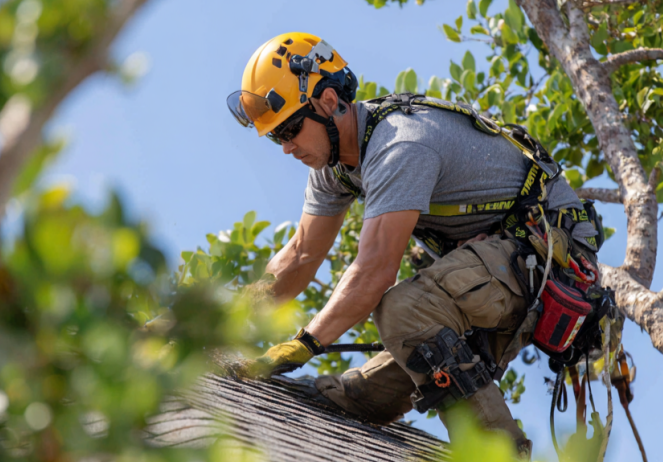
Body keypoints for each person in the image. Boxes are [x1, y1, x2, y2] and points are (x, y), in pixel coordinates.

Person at [226, 32, 603, 456]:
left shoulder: (399, 145)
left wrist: (304, 343)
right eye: (277, 136)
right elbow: (300, 255)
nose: (287, 147)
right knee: (357, 396)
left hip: (549, 258)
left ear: (329, 102)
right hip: (499, 265)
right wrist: (219, 323)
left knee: (404, 311)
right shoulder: (335, 166)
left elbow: (374, 272)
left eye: (292, 128)